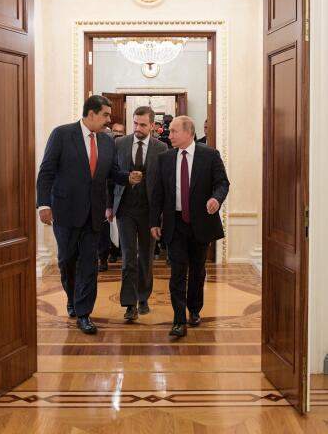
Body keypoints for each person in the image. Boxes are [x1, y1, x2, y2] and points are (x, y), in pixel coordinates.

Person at [36, 95, 142, 335]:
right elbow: (46, 172)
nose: (108, 119)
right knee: (67, 261)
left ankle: (84, 313)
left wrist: (128, 178)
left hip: (94, 214)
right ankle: (72, 298)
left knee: (88, 264)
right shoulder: (62, 134)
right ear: (91, 114)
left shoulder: (106, 142)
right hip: (65, 212)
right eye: (105, 114)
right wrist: (43, 205)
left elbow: (112, 172)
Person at [150, 115, 229, 338]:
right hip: (175, 224)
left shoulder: (210, 155)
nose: (169, 134)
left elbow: (222, 183)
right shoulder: (165, 158)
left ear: (189, 132)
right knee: (177, 272)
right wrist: (155, 221)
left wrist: (216, 199)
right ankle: (178, 320)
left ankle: (194, 310)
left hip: (201, 222)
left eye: (174, 131)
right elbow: (158, 193)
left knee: (197, 270)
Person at [110, 106, 168, 320]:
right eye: (135, 123)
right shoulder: (119, 143)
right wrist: (109, 206)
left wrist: (162, 214)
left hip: (149, 211)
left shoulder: (161, 148)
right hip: (125, 209)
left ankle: (143, 297)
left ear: (152, 125)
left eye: (143, 124)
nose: (138, 128)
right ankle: (129, 304)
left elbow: (163, 184)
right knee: (128, 257)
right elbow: (112, 175)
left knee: (146, 257)